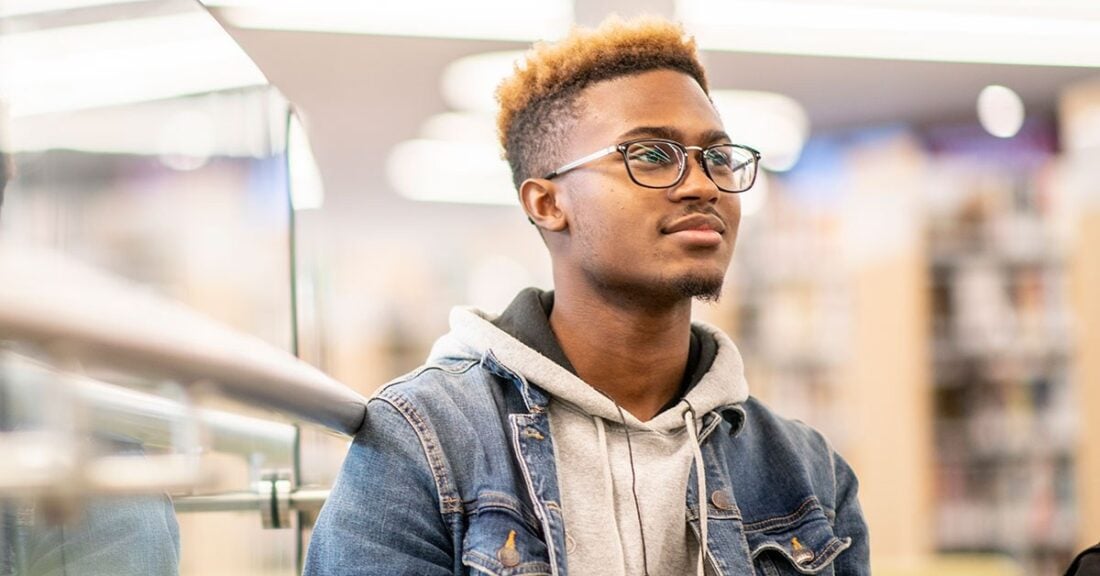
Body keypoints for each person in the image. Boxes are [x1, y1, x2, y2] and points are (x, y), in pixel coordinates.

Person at [305, 15, 869, 576]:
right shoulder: (425, 441)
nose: (701, 184)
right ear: (547, 204)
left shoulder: (807, 471)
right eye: (650, 155)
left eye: (717, 157)